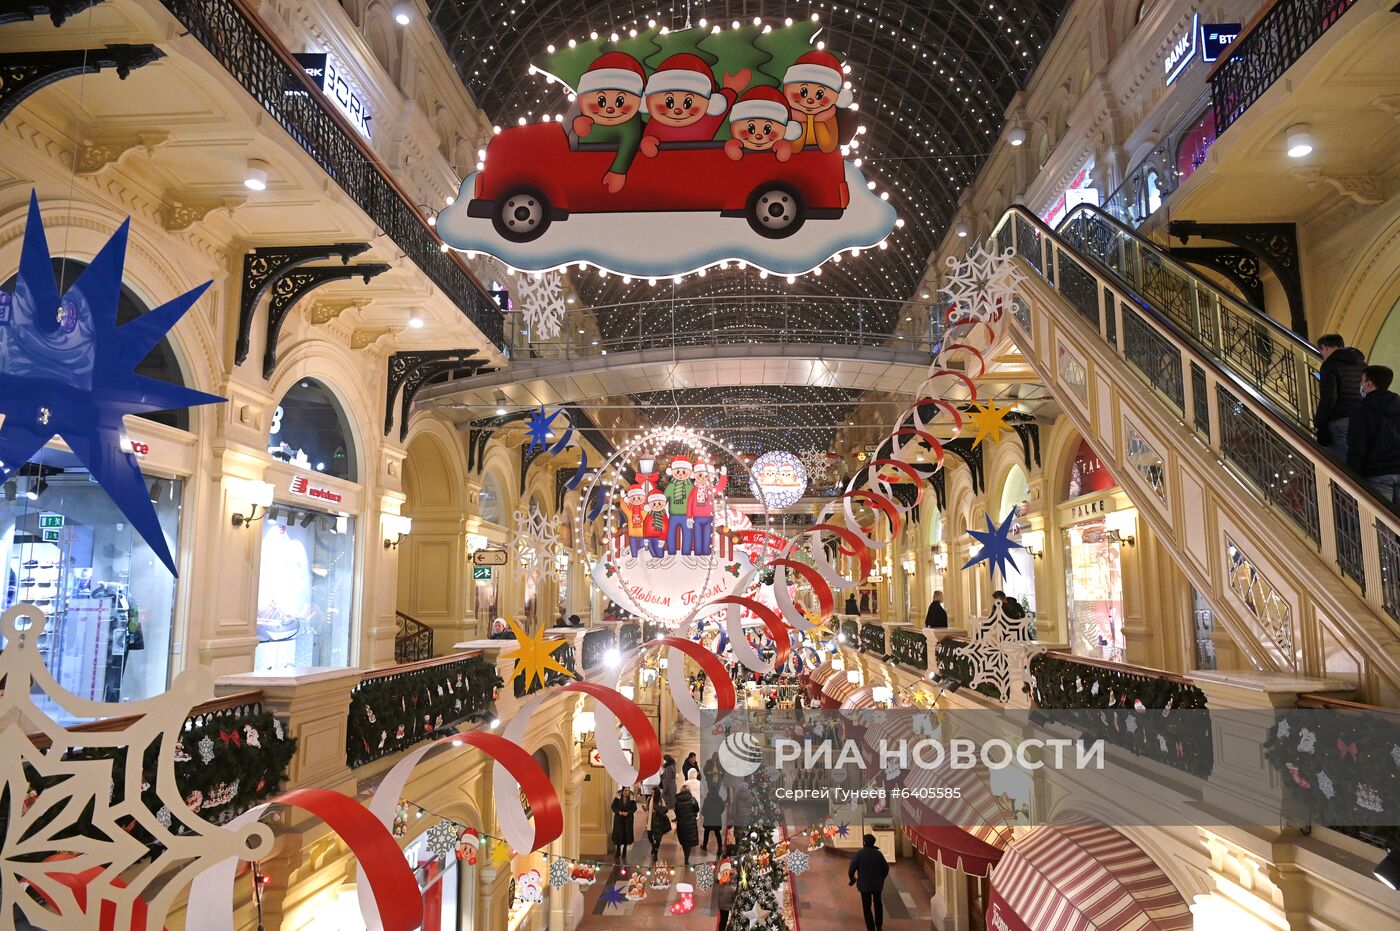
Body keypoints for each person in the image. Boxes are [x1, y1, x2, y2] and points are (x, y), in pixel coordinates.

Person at [1348, 365, 1400, 504]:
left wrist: (1352, 477)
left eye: (1361, 381)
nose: (1360, 385)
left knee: (1379, 523)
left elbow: (1357, 446)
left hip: (1376, 473)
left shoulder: (1361, 410)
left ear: (1369, 383)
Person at [1314, 334, 1366, 459]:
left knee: (1342, 464)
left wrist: (1319, 422)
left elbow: (1329, 397)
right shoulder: (1362, 365)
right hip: (1361, 418)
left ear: (1325, 347)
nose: (1323, 356)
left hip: (1339, 419)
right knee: (1359, 457)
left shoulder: (1329, 365)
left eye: (1321, 352)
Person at [848, 833, 890, 931]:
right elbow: (886, 868)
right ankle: (879, 926)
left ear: (864, 842)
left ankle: (870, 928)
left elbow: (851, 869)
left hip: (864, 885)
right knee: (878, 904)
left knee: (867, 908)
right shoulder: (878, 854)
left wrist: (852, 879)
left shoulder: (859, 854)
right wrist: (881, 878)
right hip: (877, 885)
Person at [673, 780, 701, 867]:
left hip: (681, 823)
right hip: (690, 823)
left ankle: (686, 854)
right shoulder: (692, 800)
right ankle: (686, 858)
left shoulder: (677, 801)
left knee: (683, 840)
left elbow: (676, 811)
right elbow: (697, 809)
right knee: (689, 842)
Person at [714, 842, 739, 929]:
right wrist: (727, 873)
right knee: (723, 920)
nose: (732, 859)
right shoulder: (721, 864)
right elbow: (716, 878)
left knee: (734, 919)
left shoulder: (737, 864)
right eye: (730, 857)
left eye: (734, 857)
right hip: (724, 898)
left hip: (734, 896)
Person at [610, 787, 637, 862]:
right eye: (625, 790)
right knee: (618, 834)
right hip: (619, 819)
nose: (626, 792)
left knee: (626, 834)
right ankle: (618, 851)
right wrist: (619, 812)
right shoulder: (618, 798)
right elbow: (613, 807)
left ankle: (624, 851)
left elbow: (634, 808)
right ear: (622, 791)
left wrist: (628, 813)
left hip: (628, 820)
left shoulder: (631, 799)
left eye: (628, 790)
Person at [700, 778, 725, 852]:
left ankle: (704, 846)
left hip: (708, 819)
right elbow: (722, 808)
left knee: (706, 833)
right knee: (717, 833)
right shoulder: (719, 798)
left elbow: (704, 809)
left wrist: (704, 814)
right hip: (717, 819)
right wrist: (718, 813)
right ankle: (720, 846)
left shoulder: (707, 799)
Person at [647, 788, 671, 862]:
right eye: (651, 792)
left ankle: (656, 854)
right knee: (649, 836)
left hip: (658, 821)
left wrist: (657, 810)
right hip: (650, 820)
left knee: (658, 838)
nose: (652, 794)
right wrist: (645, 808)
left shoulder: (661, 800)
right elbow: (647, 808)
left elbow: (665, 809)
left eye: (653, 793)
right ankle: (653, 845)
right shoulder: (649, 799)